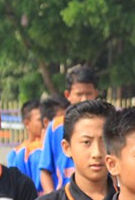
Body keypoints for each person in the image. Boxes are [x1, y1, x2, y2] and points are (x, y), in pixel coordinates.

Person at [39, 65, 100, 193]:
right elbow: (45, 170)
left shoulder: (108, 125)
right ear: (68, 95)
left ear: (96, 93)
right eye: (79, 94)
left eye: (88, 93)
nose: (84, 99)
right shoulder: (55, 127)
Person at [7, 100, 44, 192]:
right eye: (40, 120)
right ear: (27, 123)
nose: (45, 122)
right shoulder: (16, 154)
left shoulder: (52, 149)